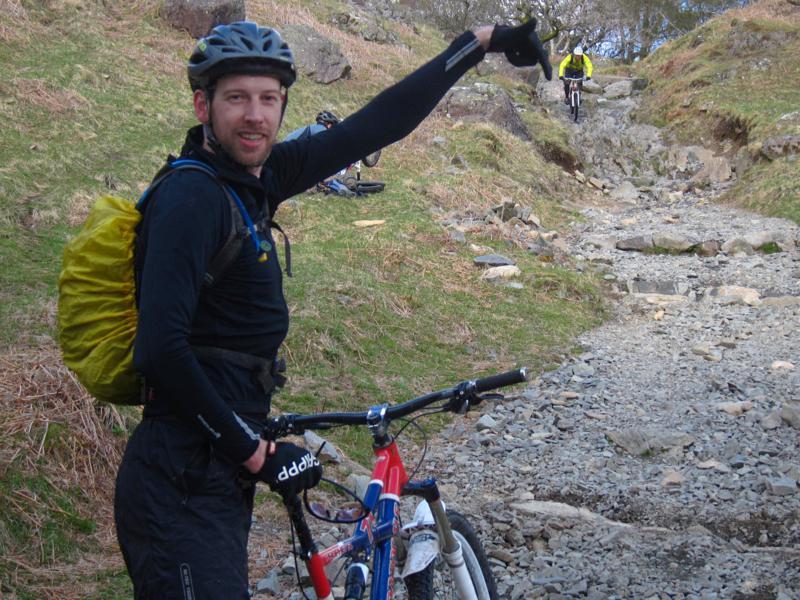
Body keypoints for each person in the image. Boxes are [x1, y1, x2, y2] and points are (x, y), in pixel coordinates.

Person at [113, 18, 550, 599]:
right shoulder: (191, 198)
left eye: (269, 99)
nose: (255, 115)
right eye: (237, 98)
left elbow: (376, 125)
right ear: (203, 105)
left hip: (211, 469)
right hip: (178, 482)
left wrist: (478, 44)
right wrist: (256, 453)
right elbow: (160, 352)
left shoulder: (255, 179)